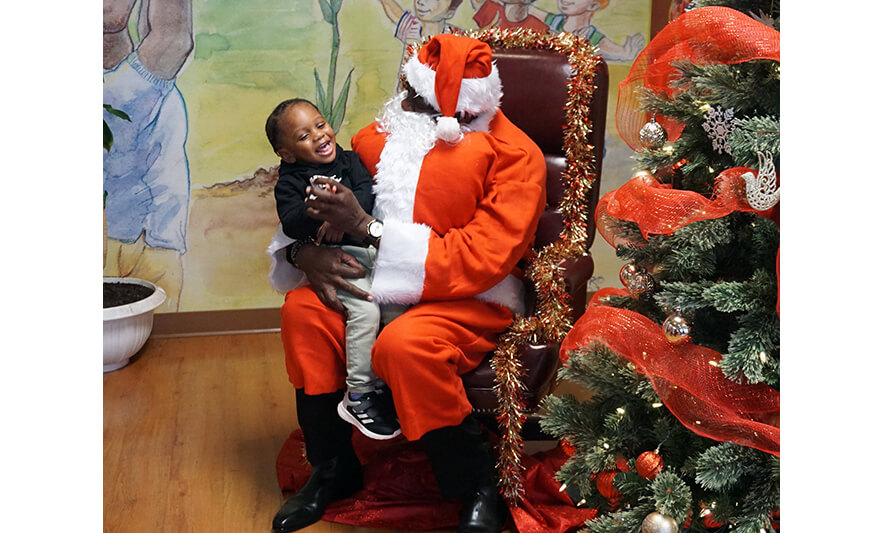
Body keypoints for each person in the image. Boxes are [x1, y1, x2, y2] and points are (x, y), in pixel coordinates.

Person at [267, 34, 546, 533]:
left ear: (454, 109)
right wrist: (303, 253)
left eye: (416, 97)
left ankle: (475, 485)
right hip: (372, 280)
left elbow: (482, 259)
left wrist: (368, 229)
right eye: (408, 91)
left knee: (406, 345)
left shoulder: (515, 156)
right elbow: (317, 201)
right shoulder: (380, 135)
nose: (403, 101)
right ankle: (334, 468)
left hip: (465, 293)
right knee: (303, 312)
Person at [265, 98, 401, 440]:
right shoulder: (290, 181)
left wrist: (349, 214)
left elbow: (367, 196)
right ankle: (359, 393)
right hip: (335, 262)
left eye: (320, 124)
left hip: (371, 251)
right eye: (304, 135)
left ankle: (388, 385)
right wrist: (324, 214)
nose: (319, 135)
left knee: (397, 307)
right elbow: (291, 222)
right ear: (287, 154)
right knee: (365, 311)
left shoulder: (351, 161)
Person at [103, 0, 193, 312]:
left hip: (155, 248)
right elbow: (173, 39)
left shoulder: (144, 84)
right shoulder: (132, 86)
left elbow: (173, 38)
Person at [530, 0, 645, 63]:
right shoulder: (555, 21)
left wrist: (626, 53)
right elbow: (530, 10)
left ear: (593, 5)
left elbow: (621, 53)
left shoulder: (592, 37)